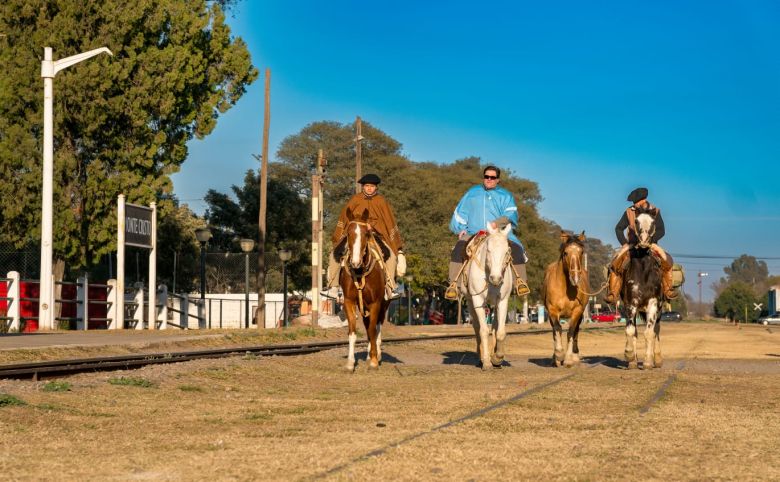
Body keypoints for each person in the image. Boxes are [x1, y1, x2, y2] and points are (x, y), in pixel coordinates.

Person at [444, 165, 530, 300]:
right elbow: (461, 212)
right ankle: (455, 286)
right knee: (457, 250)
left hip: (498, 233)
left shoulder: (505, 195)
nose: (489, 179)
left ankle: (519, 283)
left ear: (498, 180)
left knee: (517, 250)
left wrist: (497, 223)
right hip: (474, 232)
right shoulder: (472, 193)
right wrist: (460, 228)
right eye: (486, 177)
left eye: (492, 177)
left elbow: (511, 214)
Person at [327, 173, 406, 300]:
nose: (369, 188)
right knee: (333, 255)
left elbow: (388, 222)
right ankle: (334, 287)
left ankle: (390, 287)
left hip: (375, 235)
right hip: (356, 234)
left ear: (376, 188)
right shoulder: (355, 199)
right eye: (367, 186)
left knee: (391, 257)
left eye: (372, 186)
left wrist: (372, 227)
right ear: (363, 187)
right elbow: (345, 217)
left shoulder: (382, 202)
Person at [604, 187, 677, 304]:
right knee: (615, 263)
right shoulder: (629, 211)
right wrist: (624, 244)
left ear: (643, 200)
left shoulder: (655, 211)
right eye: (634, 202)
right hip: (632, 245)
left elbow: (661, 230)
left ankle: (668, 289)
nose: (635, 204)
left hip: (651, 245)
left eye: (636, 202)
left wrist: (651, 240)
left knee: (666, 260)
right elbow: (618, 229)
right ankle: (613, 293)